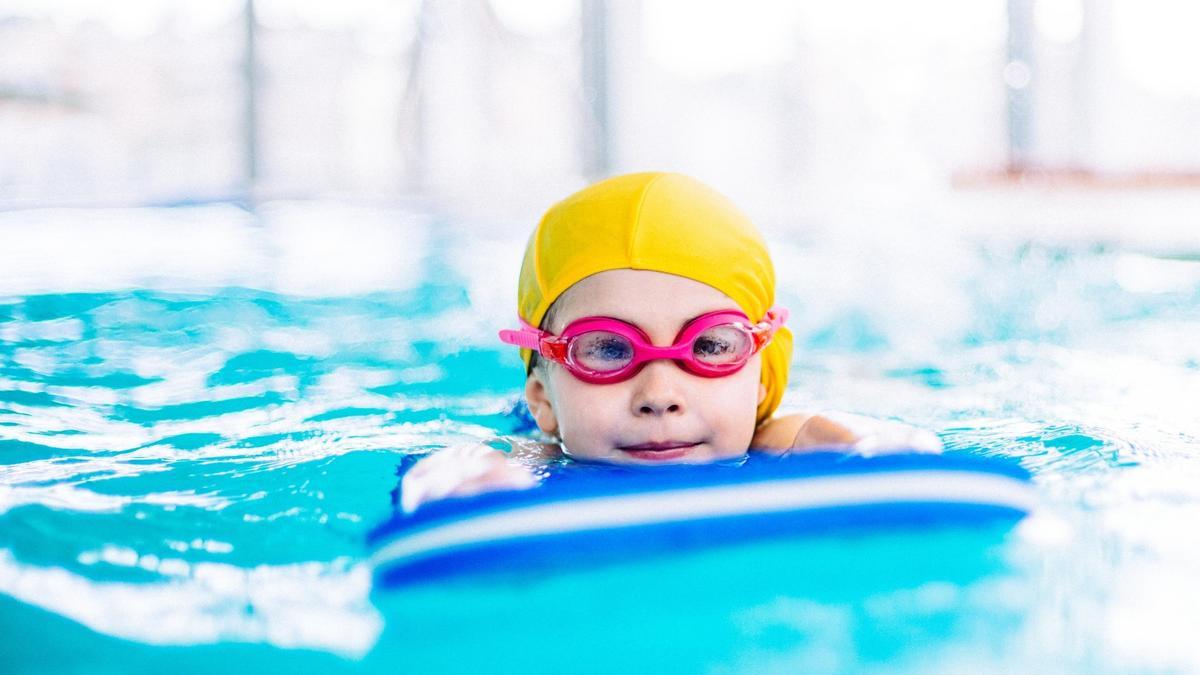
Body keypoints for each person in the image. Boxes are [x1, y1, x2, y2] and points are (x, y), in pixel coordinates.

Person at [399, 172, 941, 513]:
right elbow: (467, 464)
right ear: (542, 397)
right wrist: (460, 475)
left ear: (762, 380)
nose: (660, 393)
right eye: (608, 349)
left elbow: (829, 438)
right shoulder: (538, 453)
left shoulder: (769, 435)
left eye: (709, 346)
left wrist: (853, 438)